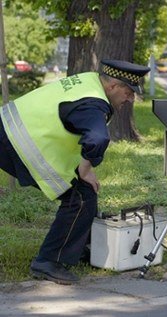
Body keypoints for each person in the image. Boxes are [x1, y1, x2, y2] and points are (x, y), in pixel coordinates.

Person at [0, 59, 150, 285]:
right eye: (129, 92)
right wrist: (85, 169)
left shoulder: (90, 80)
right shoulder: (94, 103)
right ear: (112, 87)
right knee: (80, 197)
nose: (131, 99)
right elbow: (98, 138)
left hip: (9, 127)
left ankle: (81, 248)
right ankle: (48, 261)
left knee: (83, 194)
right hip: (17, 142)